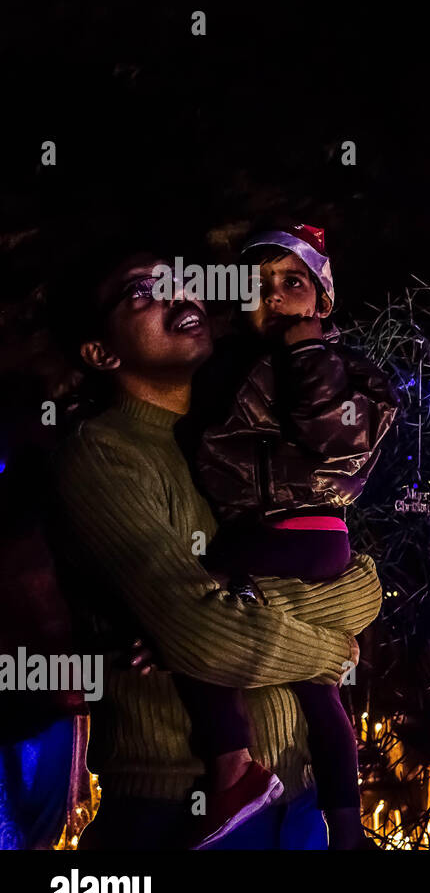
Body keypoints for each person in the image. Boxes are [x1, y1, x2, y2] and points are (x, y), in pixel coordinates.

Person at [52, 248, 383, 850]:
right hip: (182, 810)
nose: (177, 294)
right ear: (102, 353)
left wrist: (248, 601)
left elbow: (358, 582)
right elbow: (201, 633)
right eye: (142, 291)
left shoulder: (233, 438)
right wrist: (333, 650)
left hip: (299, 802)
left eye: (182, 280)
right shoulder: (102, 454)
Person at [179, 223, 396, 849]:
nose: (275, 298)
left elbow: (340, 441)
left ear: (322, 300)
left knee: (195, 604)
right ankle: (347, 833)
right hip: (259, 531)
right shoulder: (229, 370)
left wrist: (308, 357)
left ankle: (234, 766)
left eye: (292, 284)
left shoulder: (348, 371)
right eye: (261, 286)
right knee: (319, 692)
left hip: (310, 530)